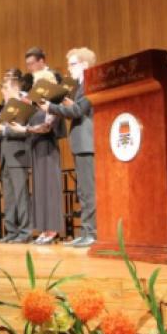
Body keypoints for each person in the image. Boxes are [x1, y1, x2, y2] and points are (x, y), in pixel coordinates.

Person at [42, 47, 97, 248]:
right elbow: (76, 107)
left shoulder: (91, 83)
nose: (69, 68)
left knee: (89, 191)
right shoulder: (80, 86)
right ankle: (86, 232)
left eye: (72, 64)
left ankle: (93, 233)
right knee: (82, 191)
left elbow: (77, 110)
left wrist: (51, 107)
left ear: (84, 65)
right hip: (81, 144)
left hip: (87, 143)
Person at [25, 69, 64, 244]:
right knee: (40, 189)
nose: (34, 86)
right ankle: (42, 228)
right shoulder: (37, 105)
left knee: (50, 188)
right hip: (37, 147)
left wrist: (27, 129)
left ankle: (53, 229)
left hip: (48, 147)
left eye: (37, 83)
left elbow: (47, 127)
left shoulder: (53, 103)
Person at [0, 77, 34, 243]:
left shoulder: (23, 105)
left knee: (21, 196)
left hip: (18, 156)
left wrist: (3, 130)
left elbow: (23, 131)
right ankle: (11, 231)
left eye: (5, 89)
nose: (2, 93)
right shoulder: (7, 107)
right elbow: (3, 131)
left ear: (13, 89)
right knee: (10, 196)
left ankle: (25, 232)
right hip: (5, 156)